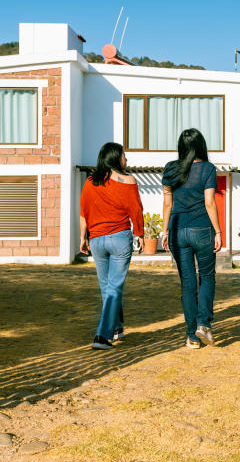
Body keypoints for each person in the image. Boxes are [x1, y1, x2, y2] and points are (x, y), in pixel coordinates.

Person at [161, 129, 223, 349]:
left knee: (188, 282)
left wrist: (165, 231)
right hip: (202, 229)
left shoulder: (170, 169)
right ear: (201, 146)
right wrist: (218, 231)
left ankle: (192, 337)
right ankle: (203, 323)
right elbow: (209, 203)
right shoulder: (207, 169)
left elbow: (168, 204)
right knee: (206, 276)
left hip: (178, 230)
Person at [79, 142, 144, 350]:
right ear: (116, 158)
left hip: (97, 240)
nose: (126, 159)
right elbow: (136, 210)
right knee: (114, 287)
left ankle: (116, 328)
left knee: (107, 287)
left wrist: (83, 237)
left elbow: (84, 212)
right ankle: (102, 336)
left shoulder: (90, 181)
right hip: (119, 238)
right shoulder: (128, 180)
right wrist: (140, 234)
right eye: (124, 155)